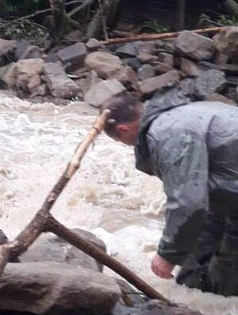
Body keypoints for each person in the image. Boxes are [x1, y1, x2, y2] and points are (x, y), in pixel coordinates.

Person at [101, 89, 238, 296]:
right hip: (228, 193)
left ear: (123, 130)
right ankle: (194, 295)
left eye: (121, 141)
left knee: (225, 284)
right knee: (197, 263)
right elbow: (202, 198)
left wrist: (167, 255)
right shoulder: (176, 112)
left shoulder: (167, 133)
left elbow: (188, 201)